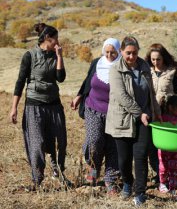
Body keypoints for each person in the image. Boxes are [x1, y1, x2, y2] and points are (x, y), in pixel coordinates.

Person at [9, 23, 69, 189]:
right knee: (37, 143)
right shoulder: (29, 55)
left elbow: (61, 77)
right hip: (34, 106)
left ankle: (59, 172)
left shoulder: (56, 55)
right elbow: (20, 82)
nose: (58, 41)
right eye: (55, 39)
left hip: (54, 105)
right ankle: (37, 179)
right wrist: (14, 107)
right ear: (47, 39)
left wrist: (60, 57)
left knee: (60, 141)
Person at [105, 36, 161, 206]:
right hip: (122, 119)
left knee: (141, 155)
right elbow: (121, 96)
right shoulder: (115, 69)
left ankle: (140, 192)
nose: (131, 56)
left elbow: (151, 92)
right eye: (128, 53)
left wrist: (155, 112)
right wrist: (139, 113)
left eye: (135, 53)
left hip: (143, 119)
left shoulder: (144, 66)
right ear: (122, 52)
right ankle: (127, 183)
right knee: (124, 159)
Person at [71, 38, 121, 194]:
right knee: (94, 141)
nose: (109, 55)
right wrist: (79, 96)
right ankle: (93, 168)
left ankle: (111, 180)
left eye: (113, 52)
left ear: (118, 51)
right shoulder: (96, 63)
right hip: (93, 108)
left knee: (113, 146)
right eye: (106, 52)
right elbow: (88, 80)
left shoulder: (122, 66)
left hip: (115, 113)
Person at [144, 43, 177, 183]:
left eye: (158, 59)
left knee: (165, 146)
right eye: (153, 59)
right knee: (151, 145)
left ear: (164, 58)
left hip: (167, 115)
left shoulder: (172, 71)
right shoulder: (146, 70)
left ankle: (167, 174)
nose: (155, 62)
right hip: (150, 113)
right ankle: (158, 172)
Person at [158, 94, 177, 198]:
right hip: (164, 148)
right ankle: (163, 183)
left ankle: (173, 187)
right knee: (163, 167)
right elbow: (160, 125)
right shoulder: (164, 117)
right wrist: (170, 123)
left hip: (175, 149)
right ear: (170, 107)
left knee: (173, 167)